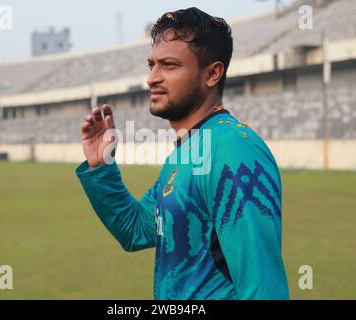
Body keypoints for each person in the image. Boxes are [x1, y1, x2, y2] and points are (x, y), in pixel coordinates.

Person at [75, 7, 289, 300]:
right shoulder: (185, 153)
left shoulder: (232, 148)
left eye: (169, 65)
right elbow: (136, 230)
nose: (152, 78)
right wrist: (101, 167)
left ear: (212, 73)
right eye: (151, 65)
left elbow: (262, 287)